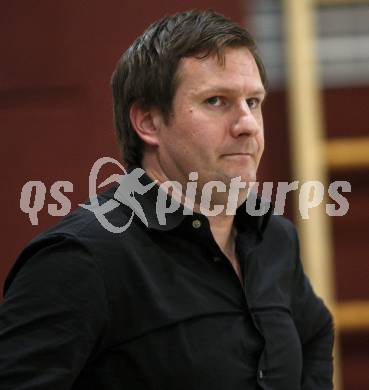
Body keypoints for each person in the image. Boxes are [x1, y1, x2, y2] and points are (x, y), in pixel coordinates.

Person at [0, 10, 333, 390]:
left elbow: (314, 336)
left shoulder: (274, 237)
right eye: (216, 101)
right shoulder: (81, 258)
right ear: (148, 121)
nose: (248, 125)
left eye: (253, 102)